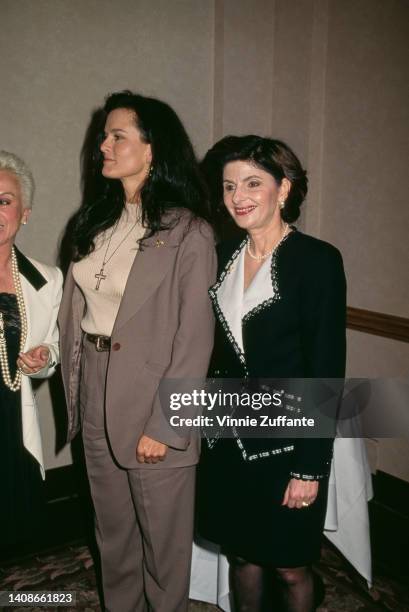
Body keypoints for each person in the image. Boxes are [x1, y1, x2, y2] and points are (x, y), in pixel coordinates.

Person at [58, 91, 216, 612]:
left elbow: (193, 341)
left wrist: (167, 424)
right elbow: (77, 313)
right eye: (105, 134)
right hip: (95, 389)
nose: (102, 144)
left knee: (162, 548)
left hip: (154, 399)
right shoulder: (94, 222)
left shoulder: (189, 232)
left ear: (152, 150)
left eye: (117, 135)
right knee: (113, 535)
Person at [197, 135, 346, 612]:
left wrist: (309, 466)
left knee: (289, 564)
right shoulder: (219, 257)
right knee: (241, 556)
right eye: (228, 186)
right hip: (227, 440)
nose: (237, 196)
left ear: (284, 189)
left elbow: (326, 370)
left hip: (289, 444)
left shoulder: (317, 261)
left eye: (252, 183)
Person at [0, 151, 62, 556]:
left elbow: (54, 346)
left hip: (13, 419)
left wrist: (44, 357)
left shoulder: (47, 279)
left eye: (4, 200)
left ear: (24, 213)